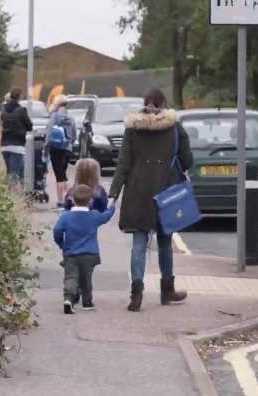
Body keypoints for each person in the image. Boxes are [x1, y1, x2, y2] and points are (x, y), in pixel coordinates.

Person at [110, 88, 192, 312]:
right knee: (165, 241)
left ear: (144, 103)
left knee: (139, 243)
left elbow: (123, 163)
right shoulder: (174, 127)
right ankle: (167, 291)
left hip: (138, 192)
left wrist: (113, 193)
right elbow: (188, 160)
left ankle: (136, 295)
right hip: (167, 191)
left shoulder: (133, 129)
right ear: (164, 104)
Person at [53, 185, 117, 314]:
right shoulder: (94, 216)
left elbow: (57, 231)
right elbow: (107, 216)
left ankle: (69, 299)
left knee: (70, 277)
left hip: (71, 253)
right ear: (91, 201)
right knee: (86, 278)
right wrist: (112, 205)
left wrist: (62, 244)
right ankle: (87, 301)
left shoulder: (66, 216)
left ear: (71, 199)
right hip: (89, 253)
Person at [46, 95, 78, 207]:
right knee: (63, 174)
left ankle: (61, 201)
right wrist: (71, 143)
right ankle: (69, 198)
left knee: (59, 175)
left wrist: (46, 146)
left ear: (57, 104)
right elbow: (74, 134)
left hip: (55, 148)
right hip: (67, 148)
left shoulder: (54, 116)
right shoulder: (71, 117)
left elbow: (49, 132)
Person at [0, 88, 33, 181]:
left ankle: (18, 192)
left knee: (11, 172)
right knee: (13, 176)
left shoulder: (3, 111)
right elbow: (29, 126)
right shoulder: (21, 110)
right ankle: (12, 193)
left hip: (4, 145)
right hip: (17, 145)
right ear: (19, 97)